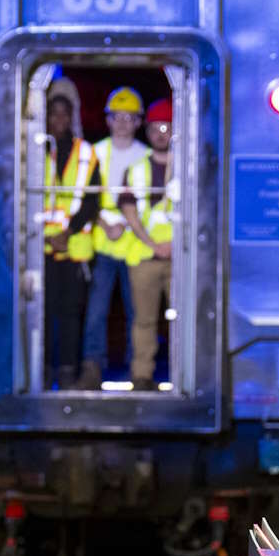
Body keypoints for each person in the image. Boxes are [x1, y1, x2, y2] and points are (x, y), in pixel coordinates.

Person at [77, 87, 150, 390]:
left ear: (138, 122)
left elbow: (149, 201)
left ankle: (138, 370)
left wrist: (124, 222)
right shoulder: (95, 152)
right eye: (116, 117)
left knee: (137, 312)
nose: (122, 123)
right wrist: (105, 221)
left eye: (128, 117)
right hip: (103, 244)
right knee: (96, 310)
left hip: (135, 245)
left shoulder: (146, 156)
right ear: (107, 120)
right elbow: (84, 194)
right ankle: (92, 368)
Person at [39, 90, 101, 389]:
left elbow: (92, 200)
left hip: (75, 248)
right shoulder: (34, 150)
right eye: (54, 113)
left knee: (71, 314)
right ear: (46, 116)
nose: (60, 119)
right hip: (40, 248)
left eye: (65, 113)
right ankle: (42, 368)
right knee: (41, 311)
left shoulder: (87, 152)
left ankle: (67, 370)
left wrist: (68, 232)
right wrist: (47, 238)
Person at [120, 98, 177, 391]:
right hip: (145, 258)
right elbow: (129, 211)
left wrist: (173, 245)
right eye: (155, 127)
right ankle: (142, 377)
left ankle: (184, 377)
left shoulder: (188, 168)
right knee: (143, 322)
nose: (160, 133)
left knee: (184, 321)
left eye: (166, 127)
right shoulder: (136, 169)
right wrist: (155, 245)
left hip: (182, 259)